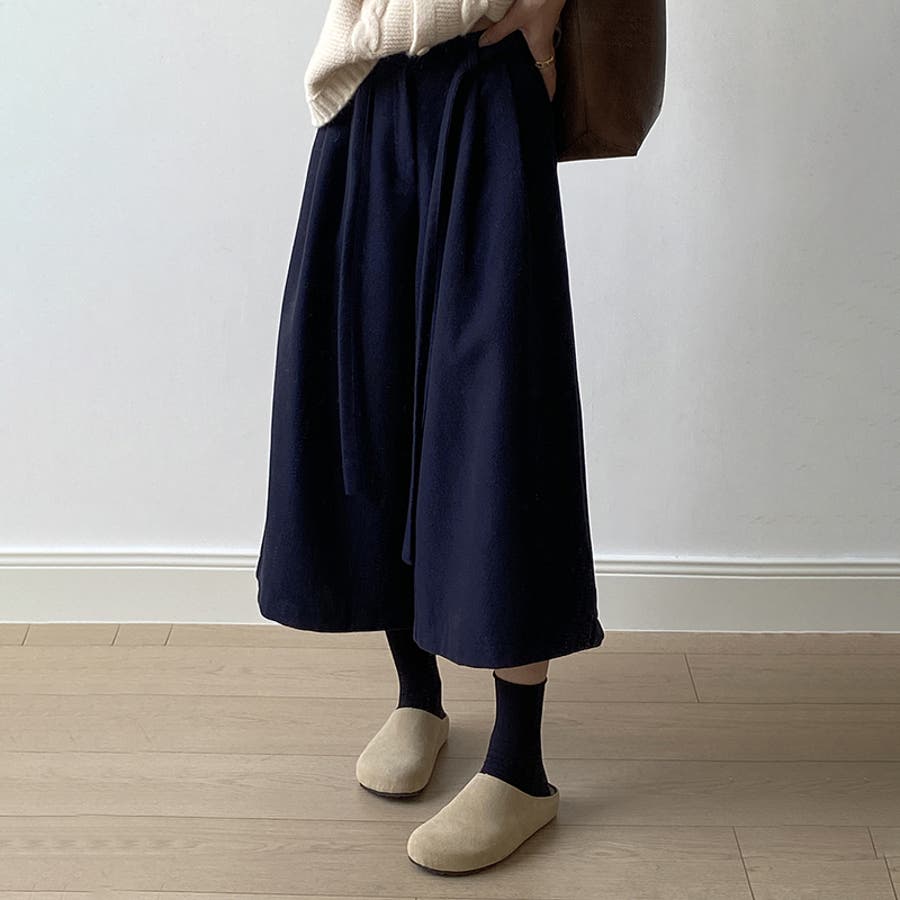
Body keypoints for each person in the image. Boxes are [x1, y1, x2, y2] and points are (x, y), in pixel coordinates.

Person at [255, 0, 605, 875]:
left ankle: (519, 767)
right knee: (372, 393)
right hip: (370, 84)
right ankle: (418, 695)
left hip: (489, 71)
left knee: (499, 419)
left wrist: (548, 9)